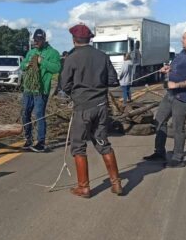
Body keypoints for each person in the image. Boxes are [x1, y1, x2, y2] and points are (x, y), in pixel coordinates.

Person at [61, 23, 123, 198]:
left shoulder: (71, 58)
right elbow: (113, 81)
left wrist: (77, 90)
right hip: (101, 106)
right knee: (103, 142)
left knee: (78, 147)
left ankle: (84, 187)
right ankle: (116, 183)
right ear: (90, 39)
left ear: (74, 39)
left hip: (83, 108)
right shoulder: (102, 56)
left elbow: (64, 85)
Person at [143, 29, 186, 167]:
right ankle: (159, 153)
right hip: (170, 95)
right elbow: (177, 67)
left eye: (184, 38)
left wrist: (176, 84)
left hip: (184, 98)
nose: (181, 40)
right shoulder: (183, 53)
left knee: (178, 128)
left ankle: (178, 159)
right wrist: (169, 69)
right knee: (159, 121)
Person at [21, 28, 61, 153]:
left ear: (44, 39)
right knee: (25, 113)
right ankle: (28, 139)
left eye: (38, 40)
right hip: (28, 88)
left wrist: (42, 62)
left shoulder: (53, 53)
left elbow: (57, 68)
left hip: (41, 90)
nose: (36, 42)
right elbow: (22, 66)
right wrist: (26, 65)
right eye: (35, 40)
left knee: (39, 115)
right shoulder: (31, 52)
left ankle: (41, 142)